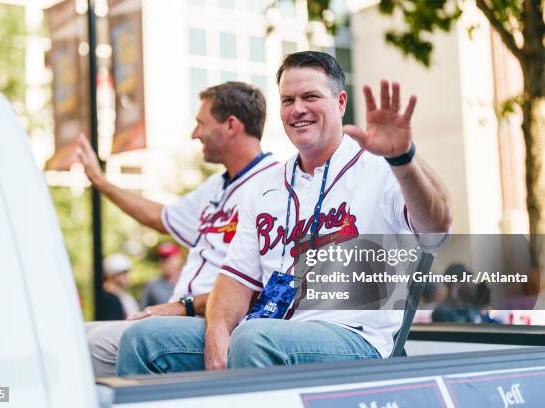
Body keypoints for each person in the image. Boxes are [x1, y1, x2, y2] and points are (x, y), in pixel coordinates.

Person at [116, 51, 452, 375]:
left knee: (254, 339)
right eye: (288, 100)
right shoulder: (265, 186)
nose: (297, 109)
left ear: (341, 103)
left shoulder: (380, 168)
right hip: (267, 332)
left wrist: (402, 158)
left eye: (310, 96)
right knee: (144, 340)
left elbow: (436, 226)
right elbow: (233, 278)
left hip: (354, 337)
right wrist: (217, 333)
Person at [78, 81, 279, 377]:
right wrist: (103, 183)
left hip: (216, 321)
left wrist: (184, 306)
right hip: (183, 315)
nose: (195, 133)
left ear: (231, 125)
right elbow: (161, 217)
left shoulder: (273, 185)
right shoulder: (218, 185)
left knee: (87, 348)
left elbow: (268, 287)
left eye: (201, 124)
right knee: (73, 336)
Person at [99, 253, 140, 320]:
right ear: (111, 275)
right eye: (122, 273)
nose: (126, 276)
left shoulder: (121, 295)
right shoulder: (110, 299)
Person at [140, 242, 182, 308]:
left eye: (169, 258)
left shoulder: (188, 280)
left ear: (178, 259)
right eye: (163, 259)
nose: (166, 262)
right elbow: (144, 310)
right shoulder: (152, 285)